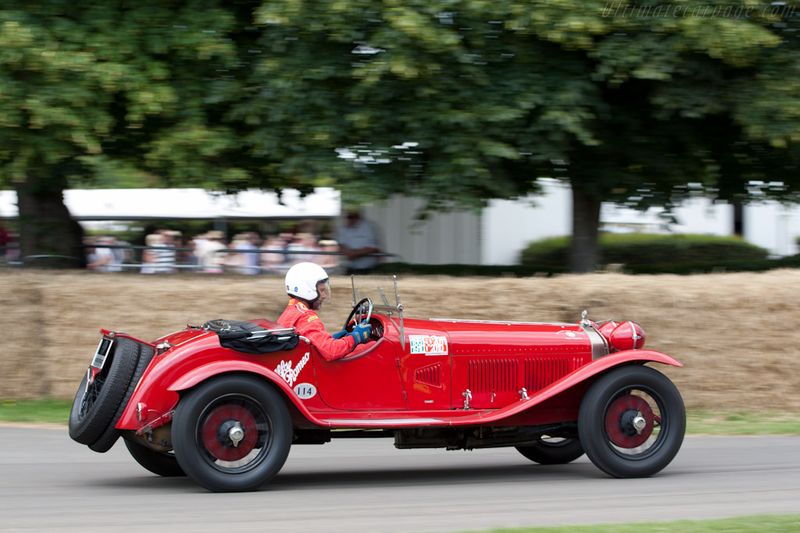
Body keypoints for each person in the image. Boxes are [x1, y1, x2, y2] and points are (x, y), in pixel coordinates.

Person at [276, 262, 371, 361]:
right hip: (314, 372)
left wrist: (333, 338)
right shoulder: (305, 316)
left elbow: (315, 343)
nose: (324, 296)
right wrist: (355, 337)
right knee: (369, 346)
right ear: (306, 290)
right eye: (321, 290)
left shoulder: (292, 311)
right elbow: (331, 352)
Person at [336, 209, 381, 275]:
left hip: (368, 269)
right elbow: (340, 244)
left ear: (357, 217)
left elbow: (373, 247)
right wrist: (347, 251)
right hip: (350, 268)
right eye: (347, 217)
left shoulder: (369, 227)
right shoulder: (344, 228)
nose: (347, 220)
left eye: (350, 217)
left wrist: (354, 253)